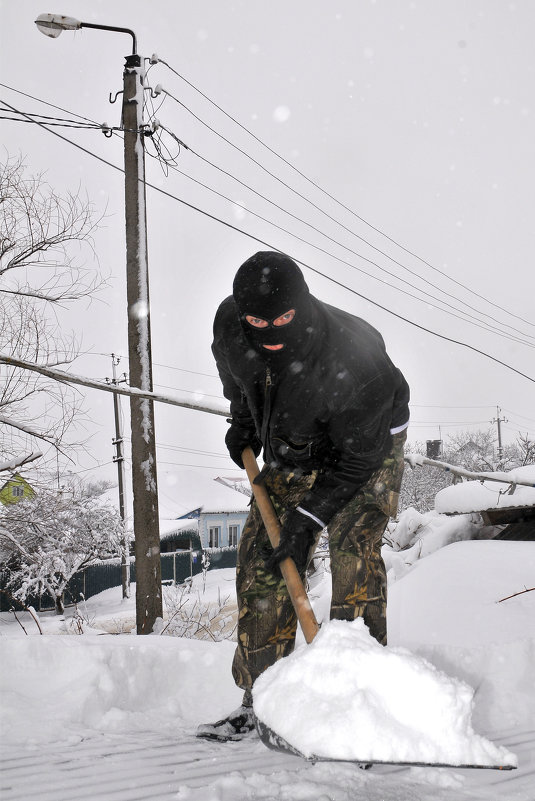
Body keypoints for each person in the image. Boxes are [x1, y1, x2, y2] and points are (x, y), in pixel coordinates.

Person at [197, 251, 410, 742]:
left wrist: (308, 519)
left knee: (352, 553)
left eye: (284, 318)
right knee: (262, 566)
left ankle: (356, 704)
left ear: (305, 305)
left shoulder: (355, 360)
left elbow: (355, 463)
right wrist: (244, 427)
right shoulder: (231, 328)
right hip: (292, 441)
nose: (270, 329)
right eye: (257, 320)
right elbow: (239, 386)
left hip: (367, 447)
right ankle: (263, 700)